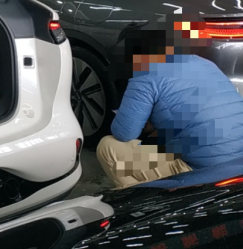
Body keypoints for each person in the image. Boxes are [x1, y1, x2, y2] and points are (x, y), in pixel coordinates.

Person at [96, 21, 243, 189]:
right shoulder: (205, 63)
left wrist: (147, 123)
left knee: (108, 147)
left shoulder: (145, 76)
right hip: (239, 162)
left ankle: (143, 198)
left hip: (208, 172)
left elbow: (124, 133)